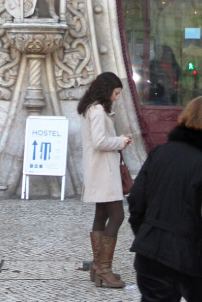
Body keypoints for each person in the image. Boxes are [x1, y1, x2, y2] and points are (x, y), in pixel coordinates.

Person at [127, 95, 202, 302]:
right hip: (192, 257)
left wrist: (146, 232)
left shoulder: (159, 153)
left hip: (151, 252)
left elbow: (136, 200)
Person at [79, 71, 134, 289]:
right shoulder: (98, 110)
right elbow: (100, 141)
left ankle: (97, 266)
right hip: (104, 170)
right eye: (116, 93)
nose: (116, 98)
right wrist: (120, 141)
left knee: (101, 214)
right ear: (107, 90)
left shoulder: (90, 107)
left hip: (98, 169)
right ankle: (103, 268)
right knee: (117, 215)